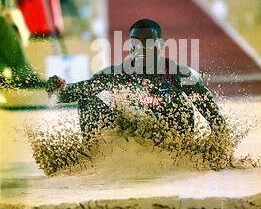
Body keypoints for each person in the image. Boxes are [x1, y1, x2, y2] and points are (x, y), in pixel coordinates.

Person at [46, 19, 226, 142]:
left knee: (177, 99)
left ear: (160, 45)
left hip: (171, 141)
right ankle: (95, 158)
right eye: (135, 42)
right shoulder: (116, 73)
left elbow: (215, 118)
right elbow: (66, 95)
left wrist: (216, 148)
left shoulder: (183, 74)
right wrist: (56, 89)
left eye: (148, 41)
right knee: (88, 102)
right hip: (133, 139)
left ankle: (182, 154)